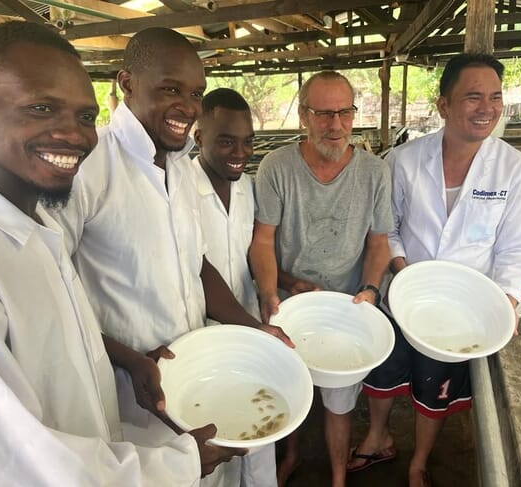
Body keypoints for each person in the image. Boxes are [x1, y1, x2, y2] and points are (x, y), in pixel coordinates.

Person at [0, 20, 240, 486]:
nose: (75, 136)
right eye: (42, 108)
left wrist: (133, 362)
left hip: (144, 415)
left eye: (84, 117)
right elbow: (9, 459)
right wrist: (179, 464)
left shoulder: (32, 226)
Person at [49, 27, 290, 487]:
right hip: (135, 394)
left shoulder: (179, 168)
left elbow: (198, 266)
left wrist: (254, 327)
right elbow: (52, 290)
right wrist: (127, 358)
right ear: (128, 83)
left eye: (195, 93)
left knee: (209, 474)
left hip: (197, 376)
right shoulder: (91, 167)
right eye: (170, 89)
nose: (187, 105)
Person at [358, 53, 521, 487]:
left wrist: (505, 299)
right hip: (403, 290)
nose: (487, 108)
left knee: (435, 383)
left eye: (495, 97)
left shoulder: (514, 169)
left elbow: (519, 246)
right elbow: (388, 228)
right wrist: (404, 272)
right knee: (384, 368)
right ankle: (376, 435)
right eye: (473, 97)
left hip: (463, 308)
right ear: (443, 106)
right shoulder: (403, 160)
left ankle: (419, 460)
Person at [249, 71, 393, 487]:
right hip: (291, 300)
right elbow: (263, 240)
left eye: (344, 113)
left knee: (339, 399)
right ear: (303, 117)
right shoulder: (277, 167)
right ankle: (291, 455)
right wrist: (269, 291)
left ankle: (336, 476)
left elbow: (379, 242)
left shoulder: (374, 172)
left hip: (344, 304)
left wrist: (369, 288)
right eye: (323, 113)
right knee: (289, 385)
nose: (335, 125)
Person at [182, 87, 277, 487]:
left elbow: (249, 252)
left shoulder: (246, 187)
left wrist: (277, 288)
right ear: (198, 137)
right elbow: (195, 267)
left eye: (248, 141)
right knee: (212, 439)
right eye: (226, 141)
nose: (240, 152)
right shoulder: (177, 188)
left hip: (249, 322)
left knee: (260, 428)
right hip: (199, 334)